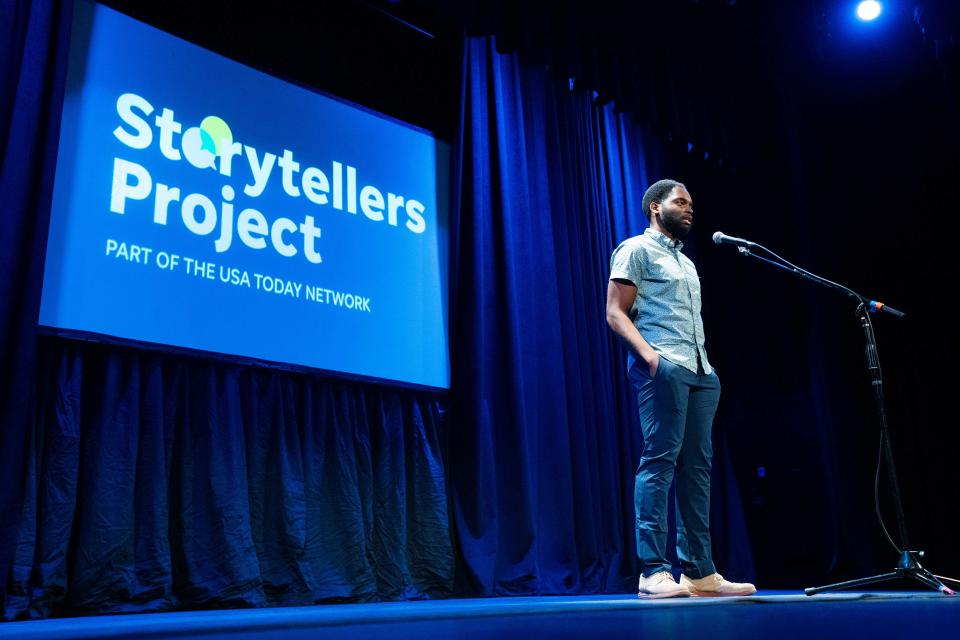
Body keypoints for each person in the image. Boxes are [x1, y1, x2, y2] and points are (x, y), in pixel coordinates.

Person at [606, 179, 756, 599]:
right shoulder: (635, 249)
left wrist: (704, 369)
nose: (690, 208)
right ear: (656, 207)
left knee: (698, 469)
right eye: (681, 202)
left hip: (700, 371)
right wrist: (652, 358)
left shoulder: (687, 262)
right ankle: (653, 571)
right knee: (659, 461)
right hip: (664, 366)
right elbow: (614, 313)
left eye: (691, 202)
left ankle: (699, 572)